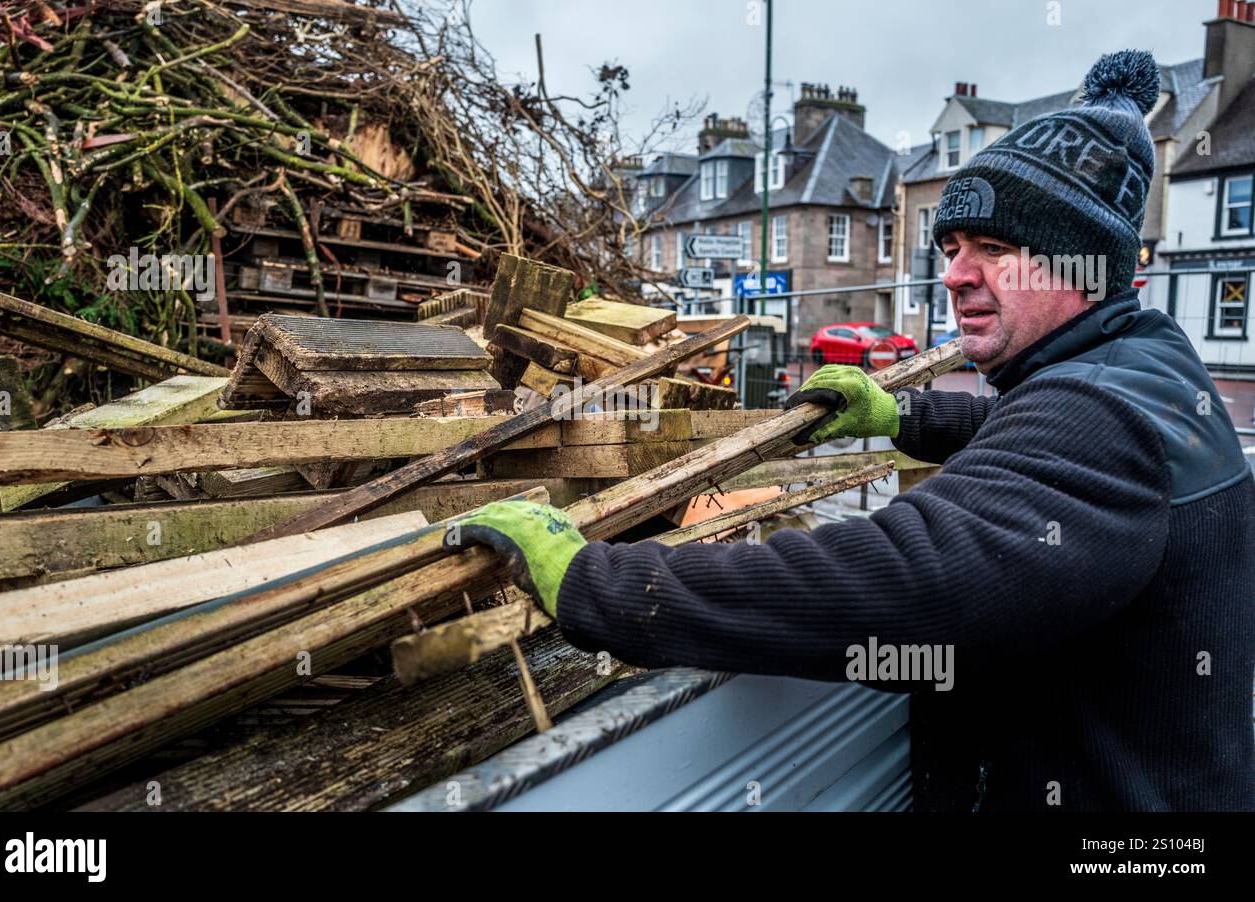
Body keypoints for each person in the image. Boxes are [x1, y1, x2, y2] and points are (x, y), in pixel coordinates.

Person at [453, 50, 1255, 811]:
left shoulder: (1094, 414)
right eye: (950, 246)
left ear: (1083, 268)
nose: (954, 273)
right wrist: (901, 413)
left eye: (994, 248)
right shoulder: (1144, 365)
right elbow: (1025, 441)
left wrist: (597, 584)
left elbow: (910, 579)